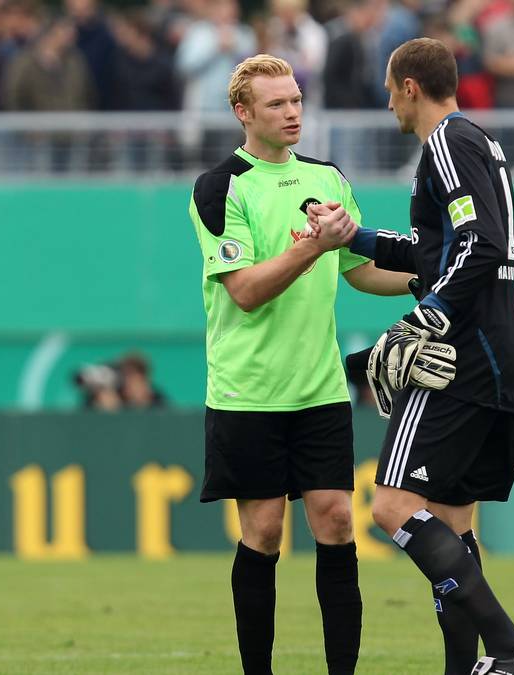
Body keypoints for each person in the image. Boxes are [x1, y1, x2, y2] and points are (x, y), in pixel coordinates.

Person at [314, 37, 514, 675]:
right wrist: (353, 237)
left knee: (390, 505)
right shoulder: (473, 141)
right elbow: (434, 250)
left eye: (390, 90)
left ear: (409, 87)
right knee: (450, 519)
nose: (387, 103)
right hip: (495, 349)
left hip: (463, 354)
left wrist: (427, 316)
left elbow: (481, 245)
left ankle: (511, 647)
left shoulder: (445, 143)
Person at [188, 54, 413, 675]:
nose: (292, 114)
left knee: (338, 520)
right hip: (249, 392)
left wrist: (432, 278)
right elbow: (246, 291)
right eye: (277, 105)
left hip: (320, 388)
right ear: (244, 113)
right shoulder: (219, 187)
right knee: (262, 533)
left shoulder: (329, 178)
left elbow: (361, 271)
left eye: (296, 101)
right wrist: (316, 243)